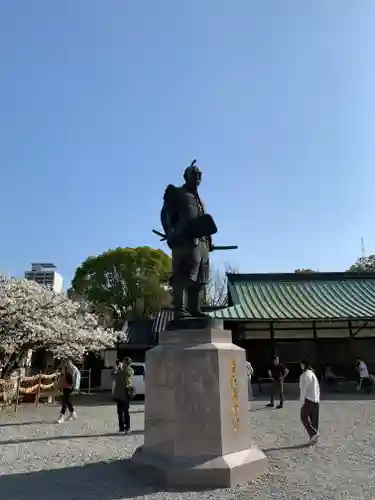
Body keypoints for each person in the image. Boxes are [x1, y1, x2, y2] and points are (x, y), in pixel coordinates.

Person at [160, 160, 216, 318]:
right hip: (184, 241)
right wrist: (170, 231)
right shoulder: (177, 193)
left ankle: (194, 308)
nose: (197, 178)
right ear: (185, 176)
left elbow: (203, 220)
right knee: (184, 275)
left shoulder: (200, 201)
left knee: (200, 278)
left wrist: (209, 241)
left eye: (199, 175)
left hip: (202, 242)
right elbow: (165, 214)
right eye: (194, 174)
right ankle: (179, 308)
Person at [299, 358, 320, 444]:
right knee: (314, 419)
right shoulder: (312, 373)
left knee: (304, 417)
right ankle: (314, 438)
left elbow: (303, 389)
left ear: (303, 364)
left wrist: (302, 401)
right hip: (316, 400)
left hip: (308, 399)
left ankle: (313, 433)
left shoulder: (304, 375)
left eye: (301, 364)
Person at [112, 357, 134, 434]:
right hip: (118, 394)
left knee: (126, 411)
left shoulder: (129, 370)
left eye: (124, 362)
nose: (122, 363)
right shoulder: (120, 370)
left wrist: (121, 368)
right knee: (119, 412)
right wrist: (117, 368)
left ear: (127, 363)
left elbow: (128, 374)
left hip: (125, 393)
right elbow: (114, 376)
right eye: (122, 362)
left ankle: (127, 427)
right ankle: (121, 427)